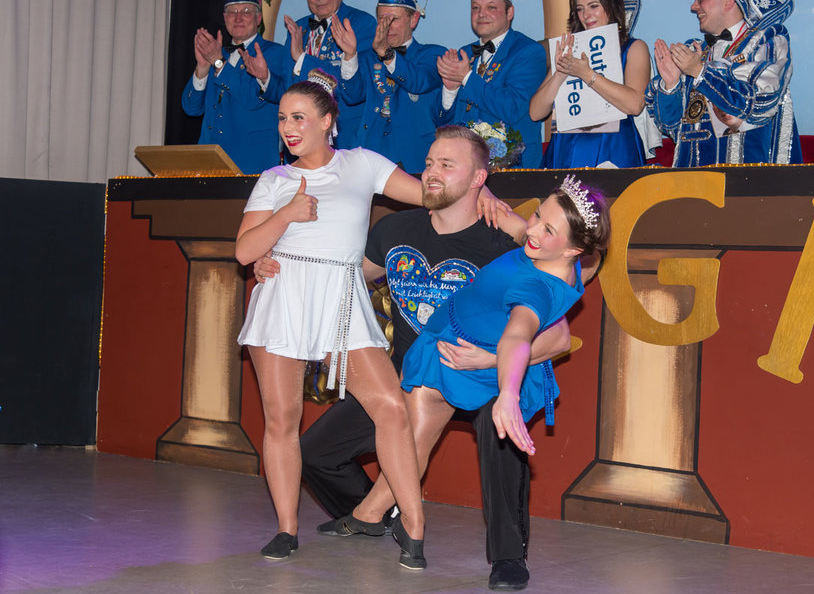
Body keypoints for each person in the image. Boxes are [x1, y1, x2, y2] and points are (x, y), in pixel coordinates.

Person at [254, 125, 570, 589]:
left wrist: (490, 362)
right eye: (429, 163)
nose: (431, 172)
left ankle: (507, 556)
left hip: (481, 377)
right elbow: (341, 275)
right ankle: (380, 516)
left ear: (479, 178)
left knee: (501, 429)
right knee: (316, 453)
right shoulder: (395, 229)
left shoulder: (502, 244)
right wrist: (273, 262)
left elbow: (558, 335)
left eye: (447, 165)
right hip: (411, 376)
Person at [348, 175, 610, 581]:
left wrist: (506, 390)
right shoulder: (547, 250)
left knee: (487, 439)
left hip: (482, 363)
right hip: (451, 345)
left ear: (574, 249)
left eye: (547, 229)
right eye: (538, 216)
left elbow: (519, 337)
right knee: (414, 434)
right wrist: (482, 192)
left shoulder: (538, 287)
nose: (533, 230)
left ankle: (506, 556)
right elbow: (517, 226)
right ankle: (373, 514)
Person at [234, 69, 431, 564]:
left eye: (299, 117)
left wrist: (477, 192)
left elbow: (429, 196)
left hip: (341, 296)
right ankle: (286, 529)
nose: (288, 127)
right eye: (283, 118)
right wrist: (286, 214)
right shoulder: (274, 180)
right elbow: (244, 252)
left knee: (391, 406)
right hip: (284, 295)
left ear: (328, 122)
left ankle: (412, 525)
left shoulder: (362, 163)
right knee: (282, 419)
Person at [645, 0, 801, 167]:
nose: (693, 6)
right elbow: (672, 127)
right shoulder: (694, 52)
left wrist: (701, 73)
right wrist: (671, 85)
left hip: (745, 177)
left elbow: (761, 101)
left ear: (728, 1)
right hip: (691, 177)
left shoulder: (766, 42)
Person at [529, 0, 650, 169]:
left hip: (613, 147)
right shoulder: (570, 48)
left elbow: (635, 105)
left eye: (594, 6)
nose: (586, 15)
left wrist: (586, 74)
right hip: (566, 148)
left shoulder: (633, 47)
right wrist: (560, 74)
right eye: (580, 9)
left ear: (611, 7)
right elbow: (535, 113)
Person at [330, 0, 446, 173]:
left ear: (414, 19)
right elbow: (352, 96)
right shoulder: (367, 57)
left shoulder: (432, 54)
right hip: (368, 155)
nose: (386, 26)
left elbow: (418, 82)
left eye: (393, 19)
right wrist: (350, 55)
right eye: (382, 19)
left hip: (413, 159)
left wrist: (386, 52)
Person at [244, 0, 376, 149]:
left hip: (343, 140)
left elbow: (354, 90)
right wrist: (266, 78)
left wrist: (302, 59)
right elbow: (288, 89)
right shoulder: (299, 27)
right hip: (300, 139)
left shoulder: (361, 23)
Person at [435, 0, 547, 168]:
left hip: (513, 166)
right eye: (475, 8)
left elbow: (513, 109)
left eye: (491, 7)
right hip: (464, 166)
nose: (481, 14)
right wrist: (450, 90)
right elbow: (442, 123)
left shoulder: (529, 51)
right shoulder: (464, 53)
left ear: (510, 12)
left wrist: (466, 78)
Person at [181, 0, 283, 174]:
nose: (238, 17)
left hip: (252, 164)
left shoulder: (275, 53)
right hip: (209, 164)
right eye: (232, 12)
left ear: (259, 18)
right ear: (224, 18)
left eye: (246, 11)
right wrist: (202, 67)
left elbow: (253, 100)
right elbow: (191, 108)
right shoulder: (216, 53)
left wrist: (218, 62)